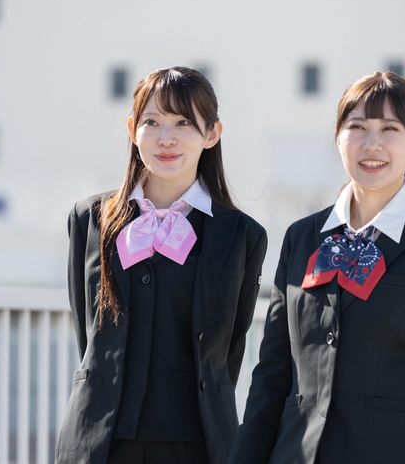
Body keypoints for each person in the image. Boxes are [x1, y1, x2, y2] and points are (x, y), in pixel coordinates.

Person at [230, 72, 405, 464]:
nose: (372, 144)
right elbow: (272, 376)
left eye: (390, 129)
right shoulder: (302, 237)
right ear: (338, 137)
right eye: (357, 127)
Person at [55, 66, 267, 464]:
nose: (166, 138)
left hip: (196, 443)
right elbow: (88, 334)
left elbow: (227, 353)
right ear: (132, 130)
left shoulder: (241, 235)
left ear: (212, 134)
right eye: (151, 122)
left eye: (183, 122)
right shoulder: (90, 220)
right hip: (100, 440)